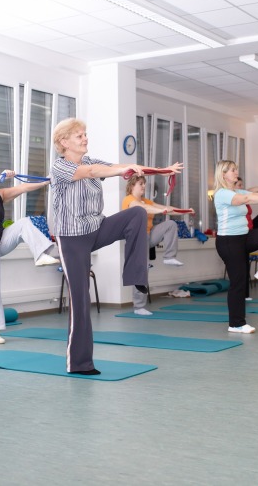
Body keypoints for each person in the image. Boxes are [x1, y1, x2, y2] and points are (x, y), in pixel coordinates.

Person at [50, 118, 181, 374]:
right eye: (79, 136)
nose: (85, 138)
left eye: (85, 134)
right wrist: (120, 170)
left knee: (137, 215)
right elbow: (92, 173)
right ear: (64, 142)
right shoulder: (60, 167)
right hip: (72, 238)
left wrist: (161, 170)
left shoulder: (90, 160)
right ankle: (79, 364)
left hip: (95, 228)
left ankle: (136, 275)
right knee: (80, 301)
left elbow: (123, 167)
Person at [0, 156, 60, 344]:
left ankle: (41, 254)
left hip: (0, 239)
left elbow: (23, 188)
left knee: (24, 223)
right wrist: (1, 176)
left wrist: (47, 180)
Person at [213, 160, 258, 334]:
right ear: (223, 174)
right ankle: (236, 323)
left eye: (236, 169)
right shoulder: (222, 193)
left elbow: (253, 194)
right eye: (232, 170)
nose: (236, 172)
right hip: (228, 242)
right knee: (238, 282)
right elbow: (247, 198)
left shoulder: (236, 190)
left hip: (243, 237)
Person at [121, 174, 192, 315]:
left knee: (170, 224)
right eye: (140, 183)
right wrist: (161, 210)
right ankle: (139, 307)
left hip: (148, 235)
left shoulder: (146, 201)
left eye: (144, 183)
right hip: (136, 239)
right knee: (142, 271)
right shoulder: (129, 200)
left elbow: (167, 208)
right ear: (132, 186)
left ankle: (169, 256)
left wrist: (186, 211)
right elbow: (142, 209)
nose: (143, 186)